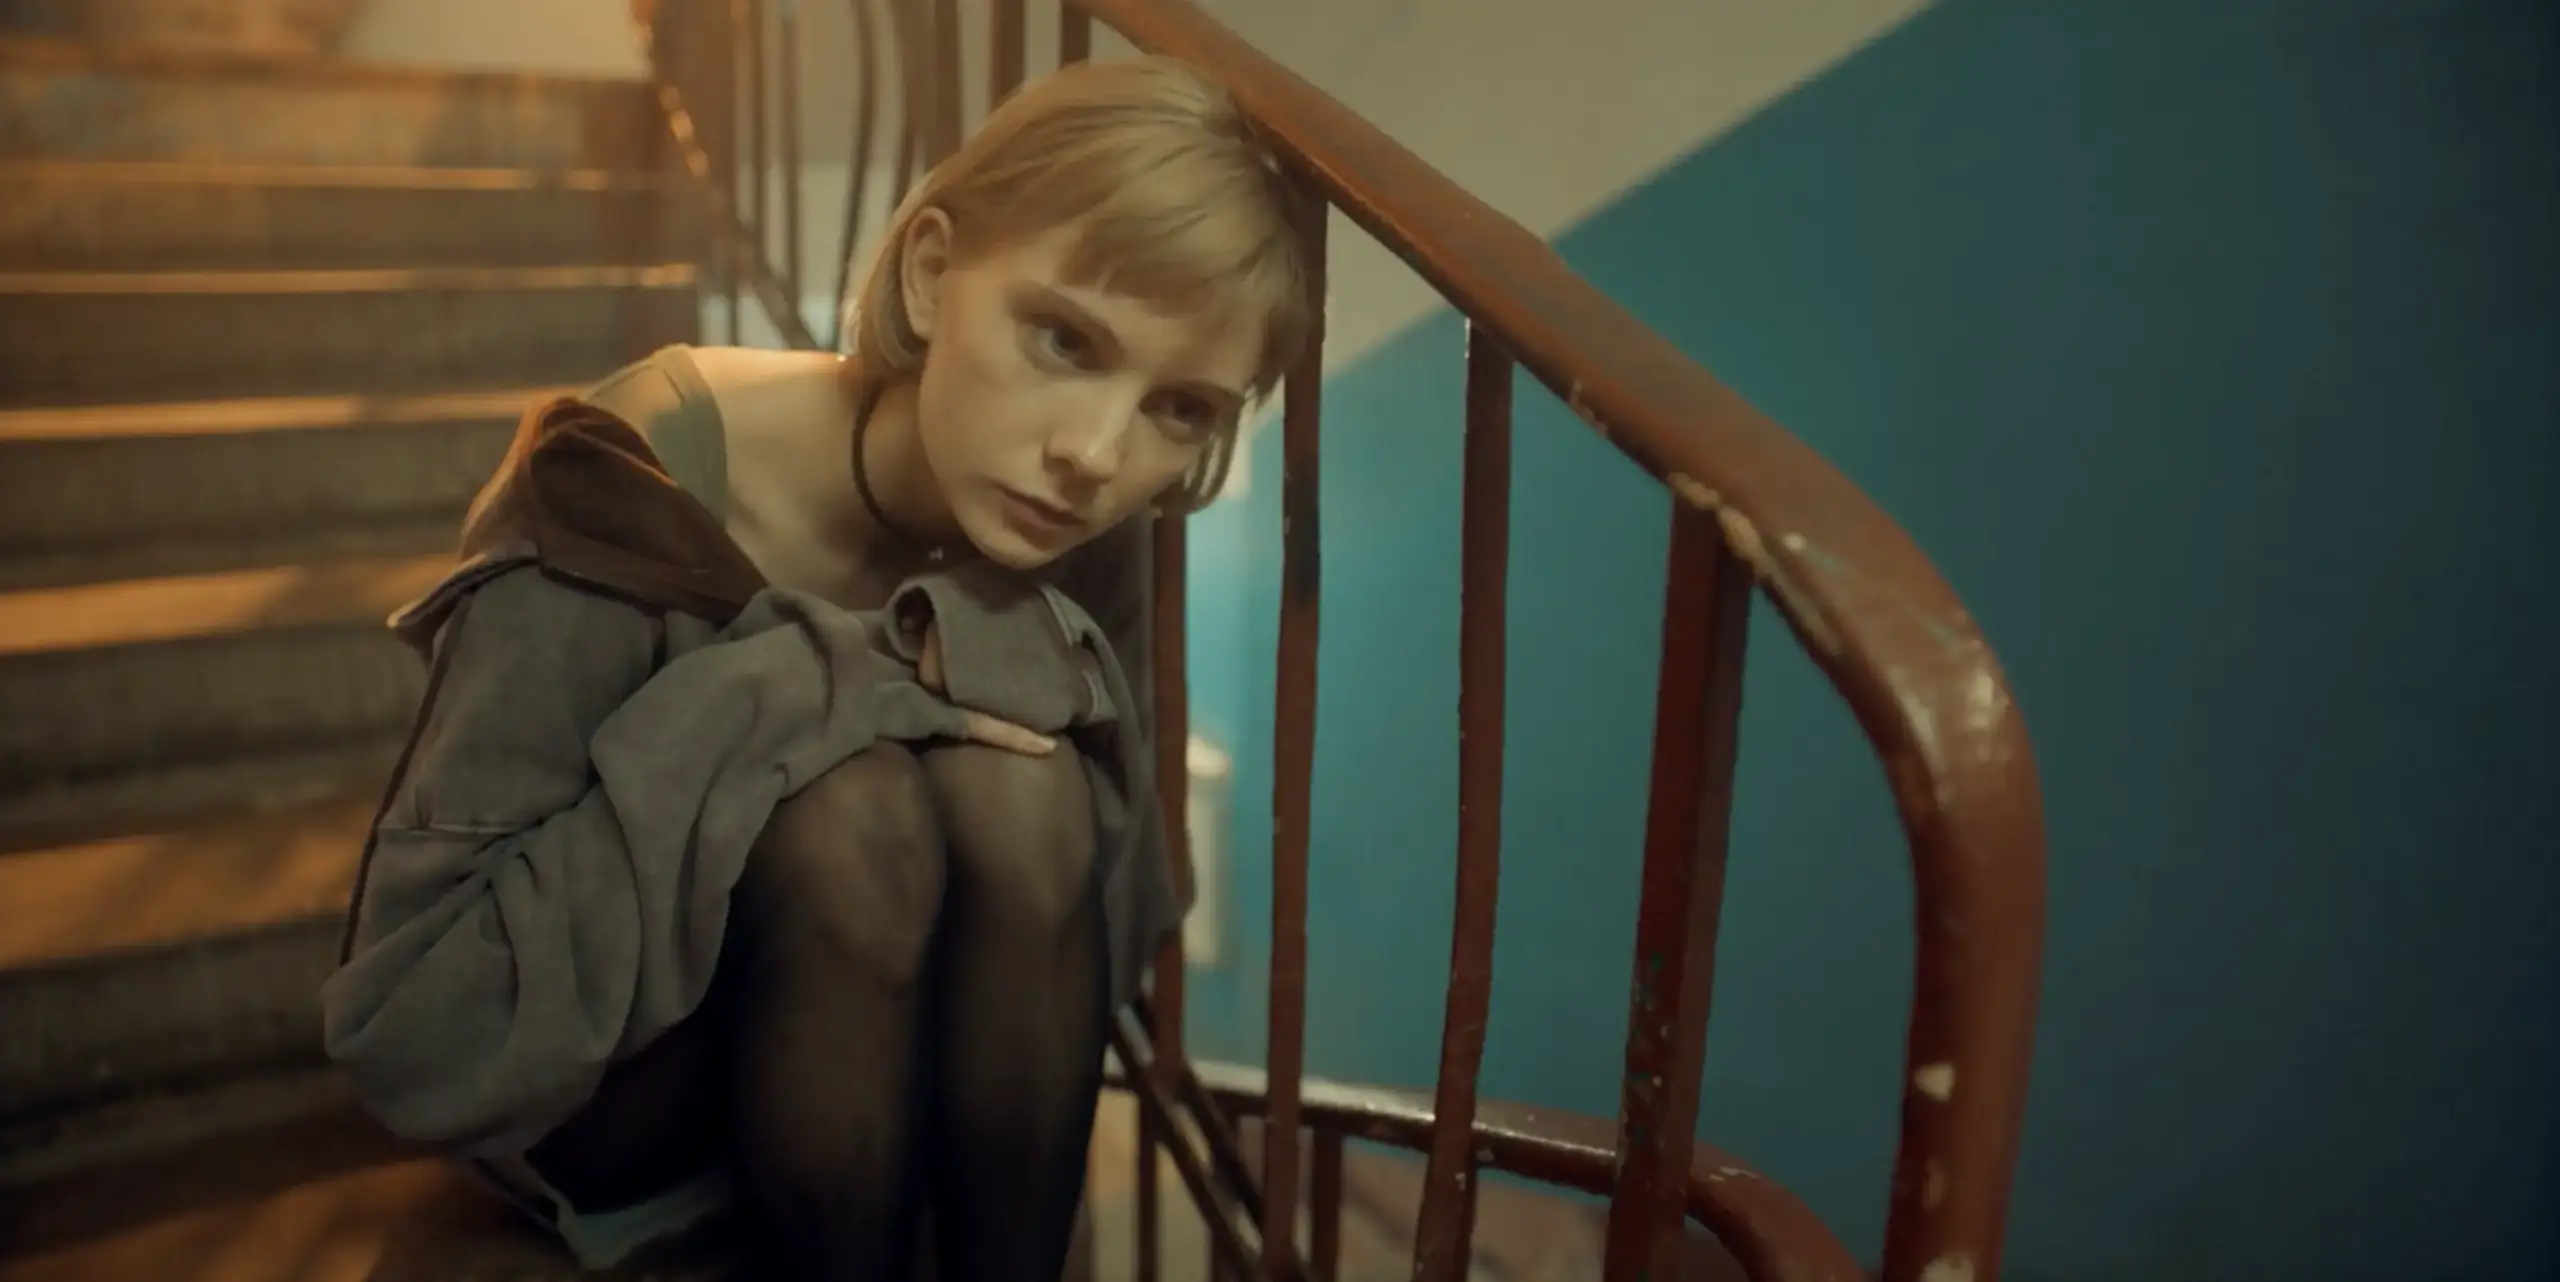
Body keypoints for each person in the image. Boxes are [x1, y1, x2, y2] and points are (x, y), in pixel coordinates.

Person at [319, 55, 1320, 1281]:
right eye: (1063, 338)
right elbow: (417, 1031)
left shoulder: (1085, 527)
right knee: (849, 811)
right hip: (615, 1092)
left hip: (899, 1090)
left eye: (1181, 409)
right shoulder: (631, 472)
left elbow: (1104, 929)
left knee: (1023, 789)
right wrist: (823, 680)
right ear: (933, 271)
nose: (1096, 453)